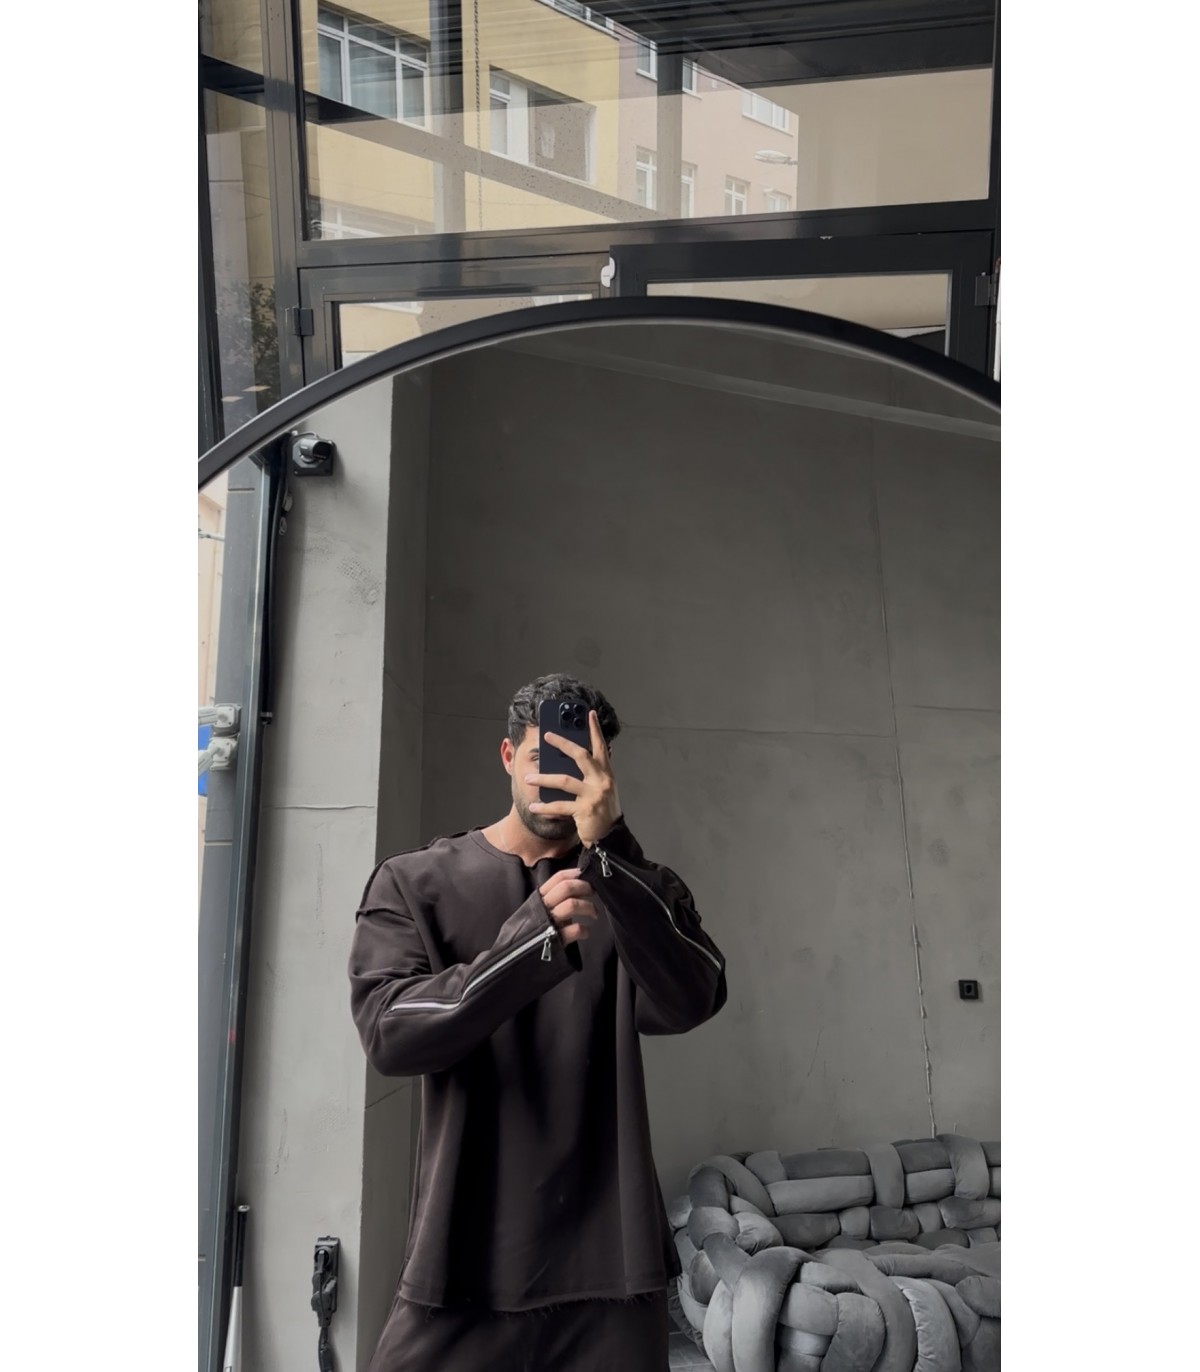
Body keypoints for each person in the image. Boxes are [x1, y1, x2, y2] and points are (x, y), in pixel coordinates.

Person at [349, 673, 727, 1371]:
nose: (557, 778)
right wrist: (526, 948)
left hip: (614, 1271)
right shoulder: (413, 882)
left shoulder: (637, 888)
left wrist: (612, 850)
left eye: (581, 762)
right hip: (462, 1262)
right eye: (541, 758)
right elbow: (389, 1035)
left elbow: (692, 999)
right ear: (507, 757)